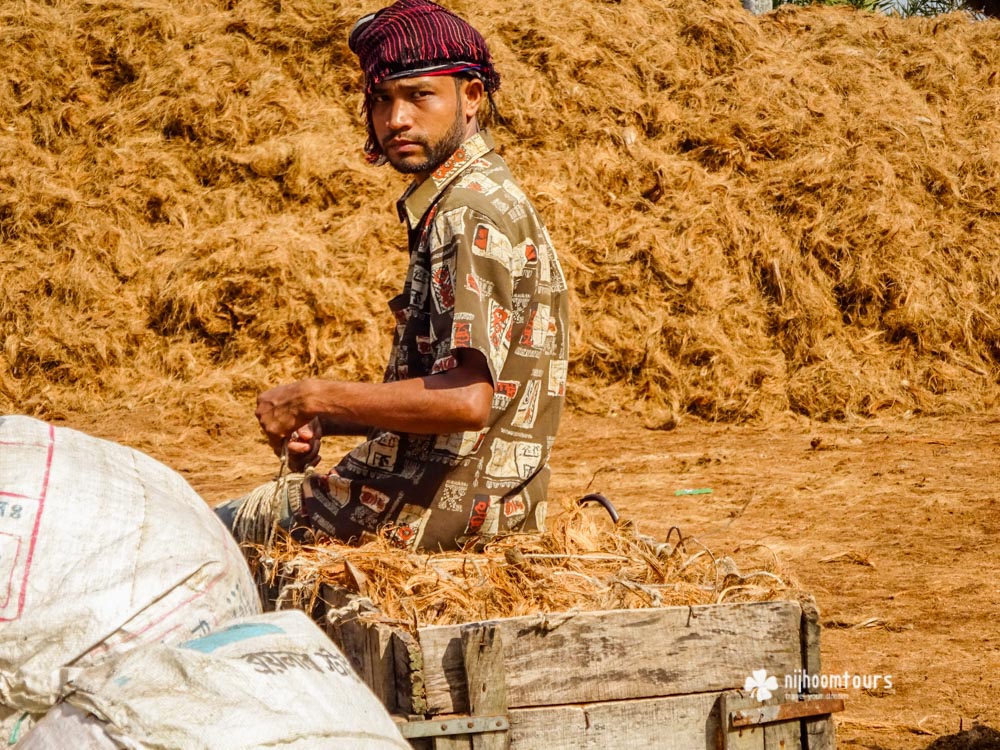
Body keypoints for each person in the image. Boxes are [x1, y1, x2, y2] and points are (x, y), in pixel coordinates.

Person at [218, 0, 569, 551]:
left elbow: (468, 402)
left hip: (421, 515)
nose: (396, 119)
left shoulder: (466, 211)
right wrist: (335, 422)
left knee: (200, 534)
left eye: (419, 95)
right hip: (460, 500)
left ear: (471, 96)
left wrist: (318, 397)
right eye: (381, 100)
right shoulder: (475, 194)